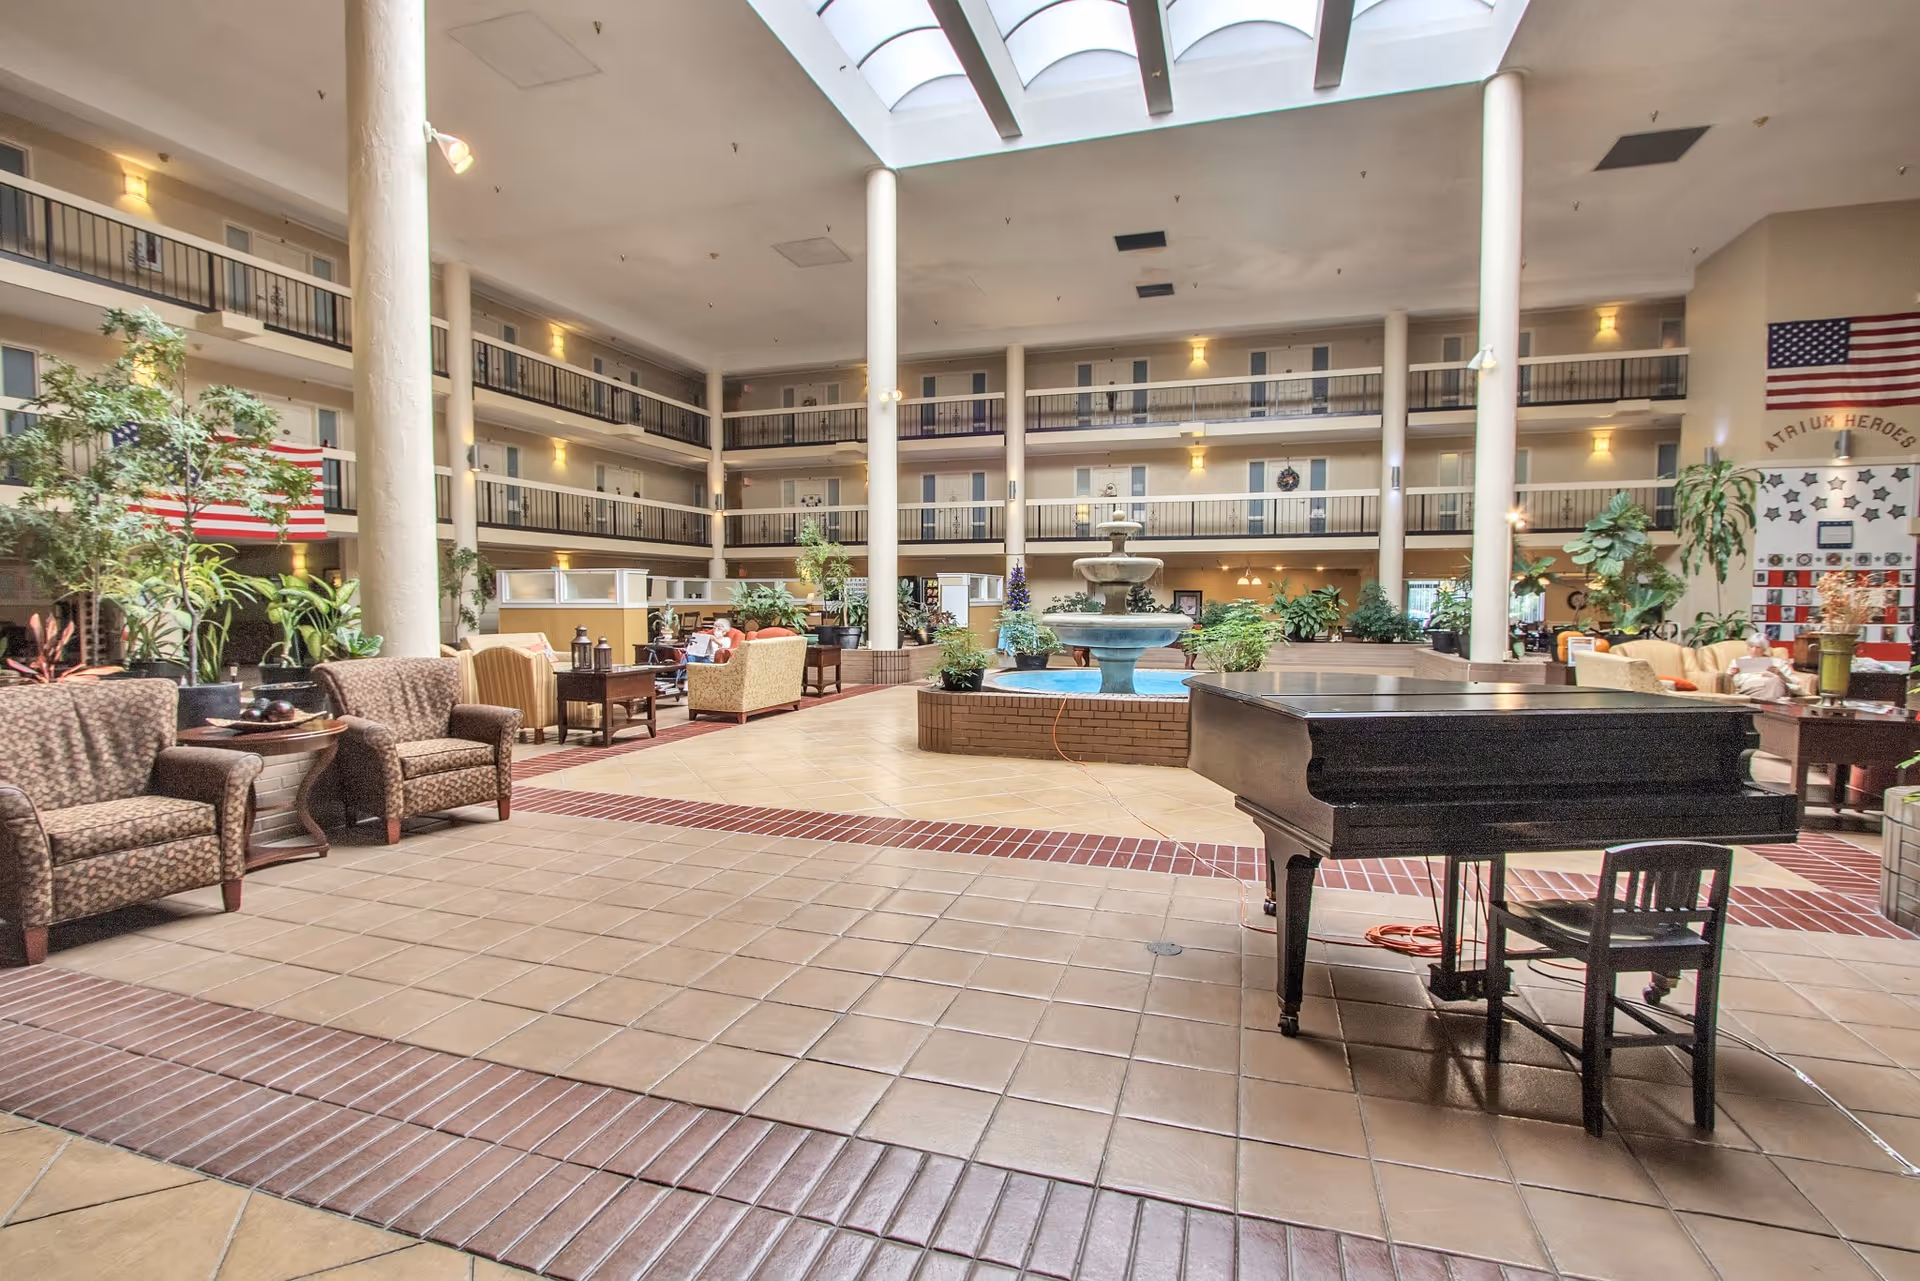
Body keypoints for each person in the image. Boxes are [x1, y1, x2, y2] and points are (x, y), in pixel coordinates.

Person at [1727, 637, 1793, 700]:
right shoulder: (1738, 662)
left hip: (1775, 685)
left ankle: (1767, 702)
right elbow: (1728, 681)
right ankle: (1771, 703)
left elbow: (1793, 681)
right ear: (1747, 648)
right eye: (1751, 646)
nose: (1754, 650)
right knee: (1772, 687)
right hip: (1752, 687)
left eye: (1758, 647)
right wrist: (1732, 675)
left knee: (1775, 681)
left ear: (1764, 649)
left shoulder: (1778, 662)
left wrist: (1779, 674)